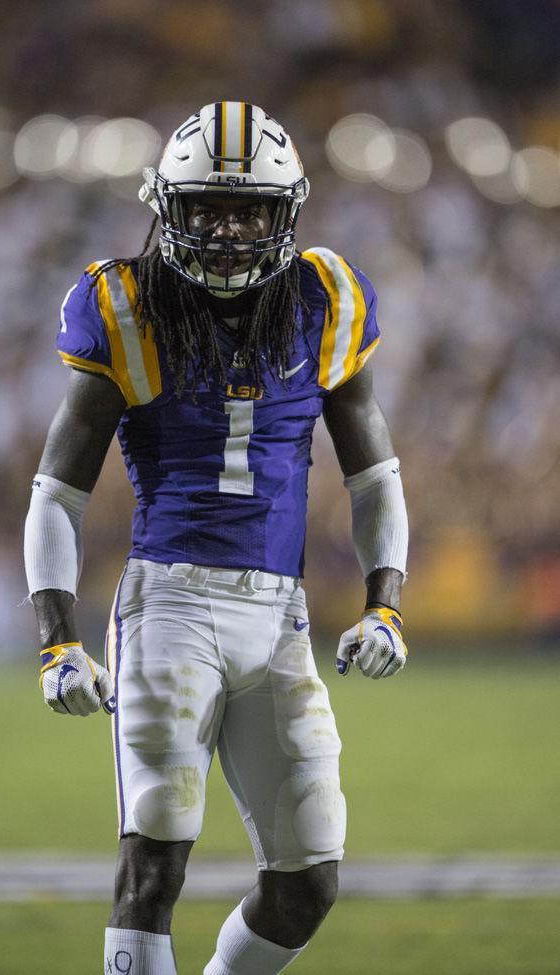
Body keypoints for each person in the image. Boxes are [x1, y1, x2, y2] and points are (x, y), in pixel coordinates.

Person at [24, 101, 409, 975]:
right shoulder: (124, 302)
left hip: (280, 616)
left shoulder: (325, 294)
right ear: (168, 207)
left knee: (309, 879)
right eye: (209, 208)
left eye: (249, 210)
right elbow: (56, 494)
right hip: (170, 606)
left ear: (287, 212)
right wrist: (57, 640)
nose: (230, 229)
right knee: (155, 855)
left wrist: (386, 604)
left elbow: (374, 476)